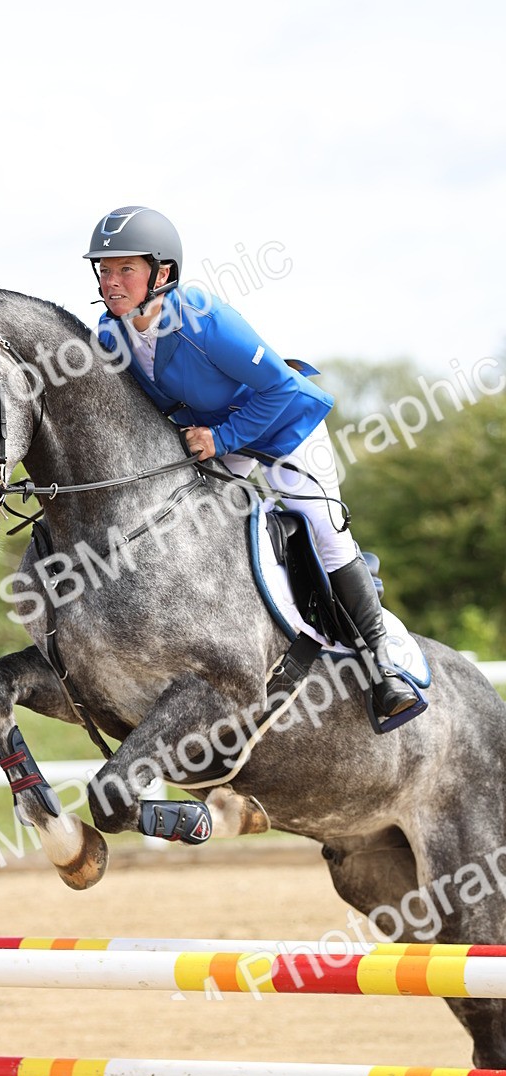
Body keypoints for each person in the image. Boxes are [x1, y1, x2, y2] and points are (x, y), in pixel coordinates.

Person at [84, 204, 420, 723]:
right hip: (215, 440)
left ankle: (384, 666)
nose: (111, 280)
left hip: (284, 426)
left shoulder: (204, 318)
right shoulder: (111, 333)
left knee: (324, 528)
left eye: (125, 268)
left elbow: (281, 388)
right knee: (191, 524)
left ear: (163, 272)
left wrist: (222, 437)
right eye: (104, 269)